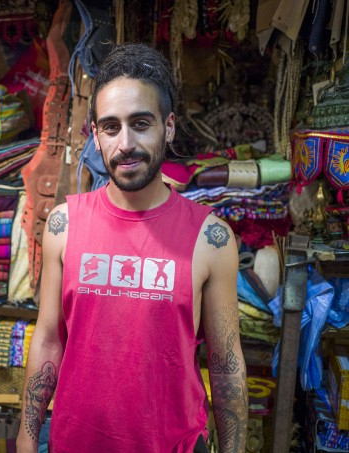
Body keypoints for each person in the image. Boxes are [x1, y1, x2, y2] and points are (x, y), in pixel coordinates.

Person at [16, 43, 248, 452]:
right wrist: (26, 437)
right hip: (75, 443)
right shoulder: (64, 225)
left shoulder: (211, 239)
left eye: (141, 123)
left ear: (168, 127)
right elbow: (50, 339)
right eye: (110, 127)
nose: (125, 143)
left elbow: (226, 367)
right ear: (96, 136)